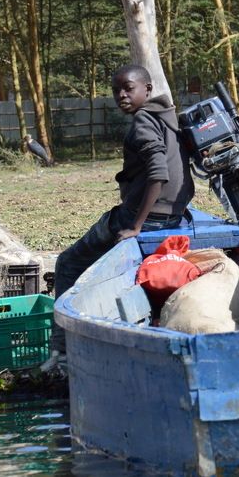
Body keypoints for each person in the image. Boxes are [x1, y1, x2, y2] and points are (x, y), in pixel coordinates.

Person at [46, 64, 195, 363]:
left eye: (129, 88)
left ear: (148, 90)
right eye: (117, 90)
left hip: (140, 217)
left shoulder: (143, 120)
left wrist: (137, 226)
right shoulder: (168, 118)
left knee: (67, 262)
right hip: (174, 215)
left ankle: (60, 350)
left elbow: (159, 173)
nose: (122, 95)